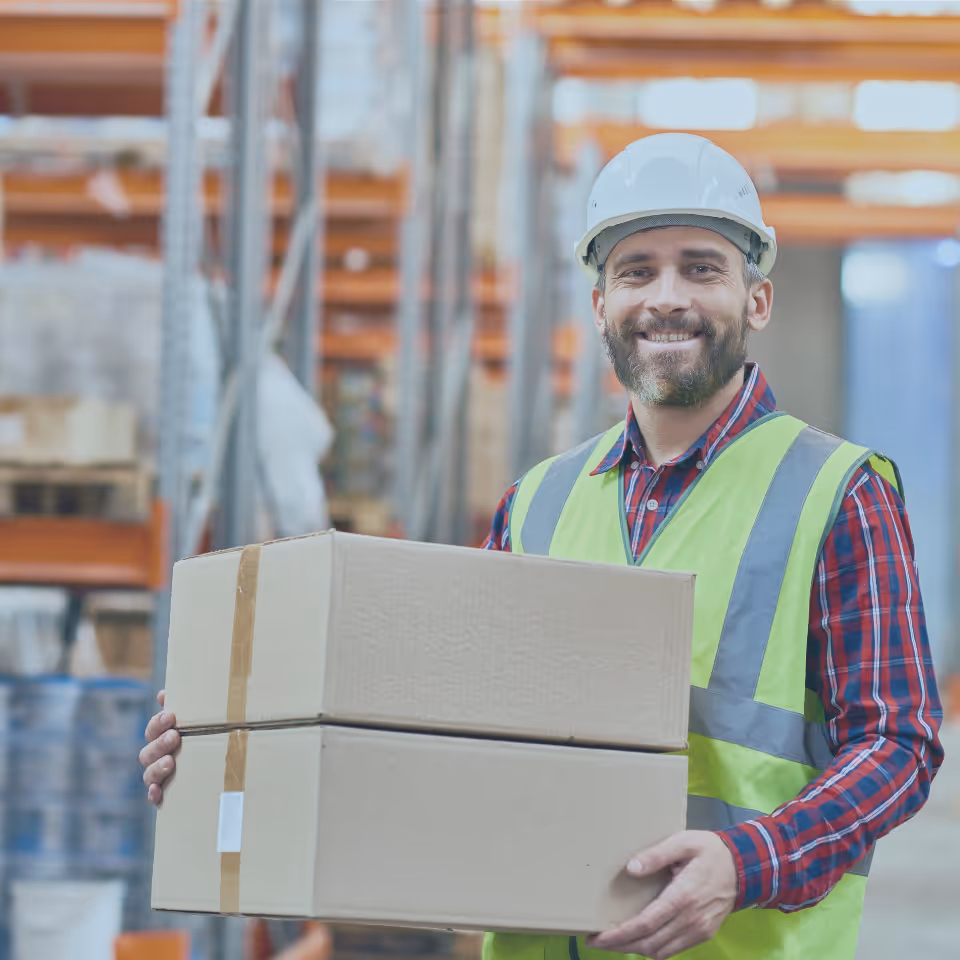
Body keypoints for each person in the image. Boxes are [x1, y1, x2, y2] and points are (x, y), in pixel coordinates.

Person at [140, 133, 943, 960]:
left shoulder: (836, 491)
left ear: (757, 300)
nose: (667, 297)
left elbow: (899, 743)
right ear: (600, 305)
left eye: (701, 268)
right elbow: (433, 726)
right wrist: (230, 745)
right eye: (636, 271)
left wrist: (747, 863)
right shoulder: (538, 502)